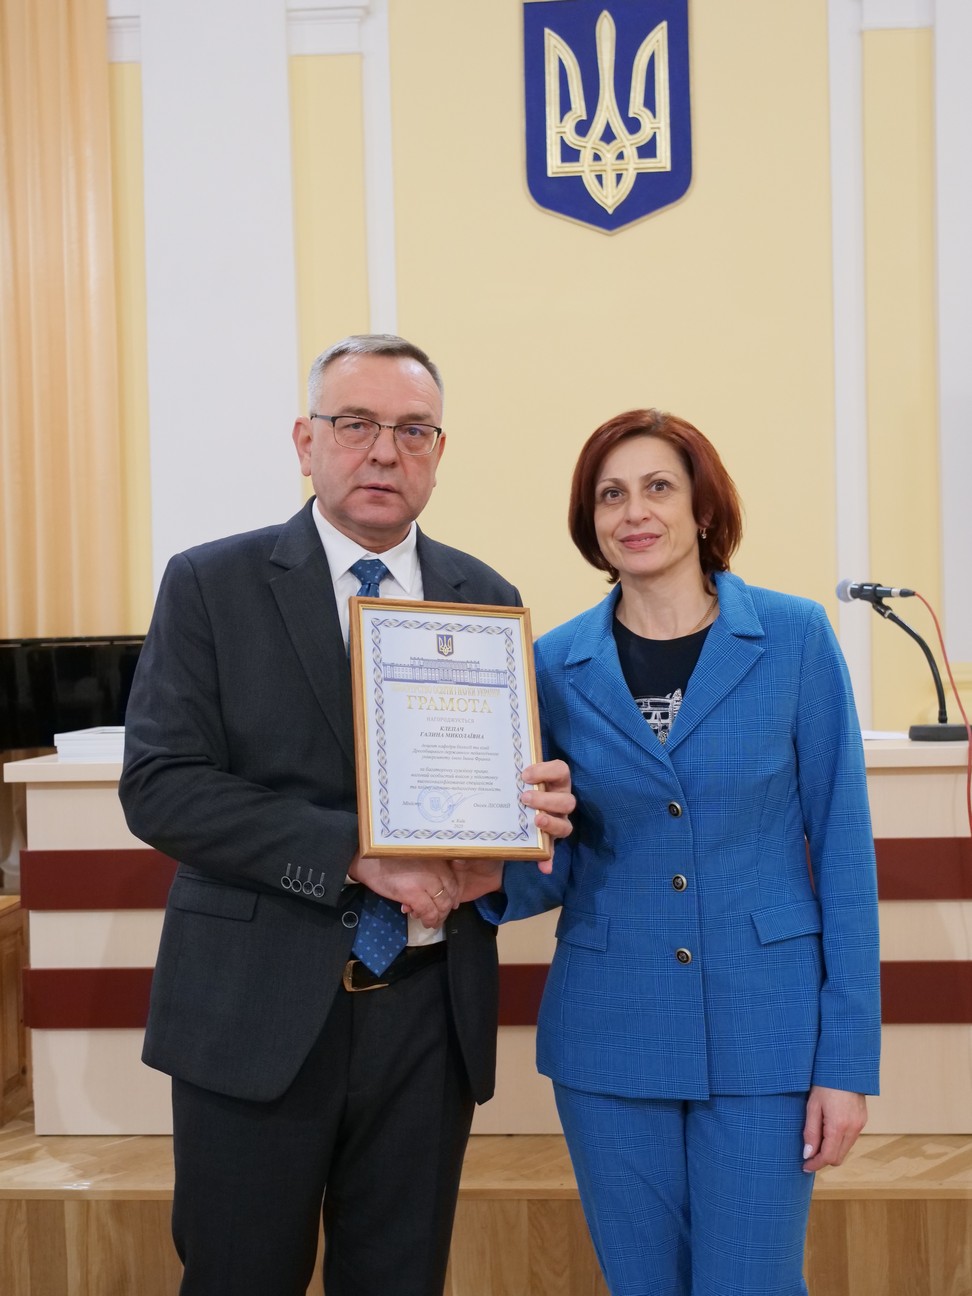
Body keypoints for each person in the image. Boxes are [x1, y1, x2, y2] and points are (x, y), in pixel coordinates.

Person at [118, 333, 574, 1296]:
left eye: (412, 431)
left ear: (439, 453)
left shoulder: (485, 599)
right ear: (306, 440)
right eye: (356, 424)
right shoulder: (211, 584)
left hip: (429, 1012)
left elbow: (504, 799)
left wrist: (522, 824)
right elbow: (161, 785)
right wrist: (353, 856)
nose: (383, 452)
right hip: (256, 1011)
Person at [470, 408, 881, 1295]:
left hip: (767, 1031)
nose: (634, 512)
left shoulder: (796, 637)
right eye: (610, 495)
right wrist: (485, 864)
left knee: (752, 1283)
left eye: (658, 487)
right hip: (610, 1032)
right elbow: (552, 860)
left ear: (702, 508)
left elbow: (845, 855)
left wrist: (846, 1065)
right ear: (590, 520)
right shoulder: (549, 663)